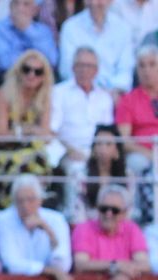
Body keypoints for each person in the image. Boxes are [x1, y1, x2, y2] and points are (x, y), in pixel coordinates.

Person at [0, 49, 54, 207]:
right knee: (28, 159)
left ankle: (35, 204)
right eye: (27, 69)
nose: (31, 75)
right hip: (3, 151)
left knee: (39, 156)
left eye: (38, 72)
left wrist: (22, 132)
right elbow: (1, 135)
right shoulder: (4, 94)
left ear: (44, 76)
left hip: (31, 150)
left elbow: (45, 135)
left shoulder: (44, 98)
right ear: (19, 71)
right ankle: (12, 204)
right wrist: (27, 130)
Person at [0, 174, 73, 280]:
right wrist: (50, 271)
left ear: (40, 200)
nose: (25, 206)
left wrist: (48, 231)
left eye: (31, 200)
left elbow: (63, 265)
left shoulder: (56, 219)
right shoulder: (3, 220)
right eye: (20, 201)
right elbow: (12, 264)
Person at [53, 48, 116, 187]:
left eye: (89, 66)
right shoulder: (58, 93)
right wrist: (70, 151)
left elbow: (107, 132)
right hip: (69, 152)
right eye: (80, 65)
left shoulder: (105, 97)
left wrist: (100, 153)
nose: (84, 70)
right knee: (78, 170)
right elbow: (52, 131)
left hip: (99, 152)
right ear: (73, 68)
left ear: (96, 70)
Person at [71, 183, 150, 280]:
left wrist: (125, 273)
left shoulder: (132, 229)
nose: (108, 214)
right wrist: (115, 266)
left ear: (124, 213)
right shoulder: (83, 229)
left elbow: (144, 264)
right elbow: (80, 265)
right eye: (104, 209)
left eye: (114, 210)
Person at [58, 0, 136, 91]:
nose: (94, 3)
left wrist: (111, 90)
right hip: (77, 90)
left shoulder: (123, 28)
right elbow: (66, 69)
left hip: (113, 92)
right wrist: (91, 89)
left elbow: (125, 69)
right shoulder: (70, 27)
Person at [115, 45, 158, 183]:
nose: (147, 70)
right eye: (142, 66)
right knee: (136, 163)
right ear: (136, 70)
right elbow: (123, 140)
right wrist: (152, 155)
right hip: (143, 154)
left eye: (152, 64)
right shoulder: (128, 100)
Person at [0, 0, 57, 80]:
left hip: (39, 80)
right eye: (16, 3)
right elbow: (3, 62)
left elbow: (51, 60)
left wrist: (27, 29)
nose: (20, 8)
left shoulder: (44, 31)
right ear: (10, 7)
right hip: (7, 80)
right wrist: (33, 59)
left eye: (26, 4)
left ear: (35, 10)